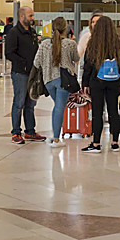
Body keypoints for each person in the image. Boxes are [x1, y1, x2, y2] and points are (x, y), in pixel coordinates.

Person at [80, 14, 120, 152]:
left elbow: (88, 65)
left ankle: (96, 143)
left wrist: (85, 83)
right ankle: (115, 143)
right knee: (113, 111)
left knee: (97, 112)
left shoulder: (93, 43)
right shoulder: (118, 43)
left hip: (97, 82)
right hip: (114, 82)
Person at [34, 16, 80, 146]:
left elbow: (36, 62)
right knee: (60, 107)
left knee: (57, 106)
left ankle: (55, 133)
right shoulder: (70, 44)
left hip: (48, 81)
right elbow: (76, 59)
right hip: (63, 81)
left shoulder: (44, 44)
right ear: (66, 28)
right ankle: (56, 139)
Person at [4, 5, 43, 144]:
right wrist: (23, 63)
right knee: (19, 102)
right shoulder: (14, 33)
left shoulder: (32, 32)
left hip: (33, 73)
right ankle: (16, 132)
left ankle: (30, 131)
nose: (33, 18)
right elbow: (9, 53)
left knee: (31, 103)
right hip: (20, 73)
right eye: (30, 15)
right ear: (22, 16)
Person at [77, 10, 102, 75]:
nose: (94, 24)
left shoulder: (110, 38)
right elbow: (79, 54)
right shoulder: (86, 36)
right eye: (92, 22)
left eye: (97, 22)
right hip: (90, 72)